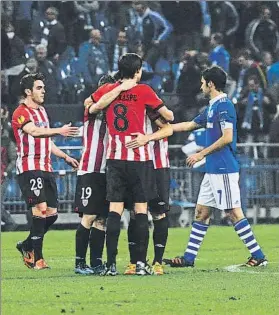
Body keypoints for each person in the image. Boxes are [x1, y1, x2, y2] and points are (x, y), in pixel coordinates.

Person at [163, 66, 267, 268]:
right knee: (201, 212)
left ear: (210, 84)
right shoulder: (211, 107)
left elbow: (227, 137)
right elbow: (188, 125)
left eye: (203, 82)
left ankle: (258, 255)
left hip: (223, 168)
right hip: (212, 170)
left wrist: (201, 153)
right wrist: (162, 127)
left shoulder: (225, 106)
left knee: (232, 212)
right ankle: (189, 258)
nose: (201, 86)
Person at [90, 53, 173, 275]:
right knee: (140, 210)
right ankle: (141, 264)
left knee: (115, 211)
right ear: (138, 71)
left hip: (115, 158)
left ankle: (110, 265)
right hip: (139, 159)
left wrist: (115, 91)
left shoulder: (108, 90)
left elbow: (90, 107)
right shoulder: (144, 90)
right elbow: (169, 116)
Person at [12, 73, 79, 270]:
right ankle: (37, 259)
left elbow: (46, 140)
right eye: (39, 88)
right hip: (29, 167)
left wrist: (65, 156)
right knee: (40, 210)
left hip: (46, 167)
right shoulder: (20, 112)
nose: (43, 91)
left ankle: (26, 245)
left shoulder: (42, 111)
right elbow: (34, 132)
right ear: (28, 91)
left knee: (52, 214)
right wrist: (59, 131)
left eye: (43, 88)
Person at [74, 74, 138, 275]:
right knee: (89, 216)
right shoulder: (91, 109)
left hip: (107, 170)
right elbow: (94, 104)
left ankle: (96, 262)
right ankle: (79, 263)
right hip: (90, 168)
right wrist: (117, 89)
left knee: (102, 218)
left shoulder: (116, 112)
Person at [123, 109, 173, 275]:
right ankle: (134, 261)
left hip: (158, 166)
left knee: (159, 213)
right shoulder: (131, 109)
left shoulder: (154, 111)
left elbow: (169, 124)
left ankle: (158, 262)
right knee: (134, 212)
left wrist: (147, 138)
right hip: (137, 165)